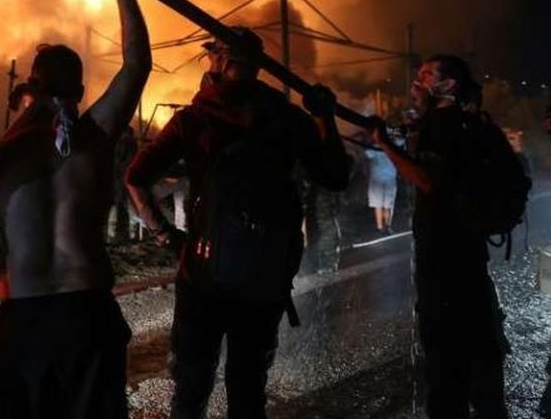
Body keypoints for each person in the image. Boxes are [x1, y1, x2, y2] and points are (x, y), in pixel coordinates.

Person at [0, 0, 151, 418]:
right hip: (86, 315)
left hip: (24, 320)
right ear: (81, 92)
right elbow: (137, 65)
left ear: (31, 85)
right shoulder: (95, 138)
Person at [125, 28, 349, 419]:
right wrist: (324, 118)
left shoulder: (193, 120)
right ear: (258, 65)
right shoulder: (287, 118)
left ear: (217, 59)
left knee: (190, 392)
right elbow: (335, 175)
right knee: (247, 392)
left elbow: (135, 177)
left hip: (202, 272)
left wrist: (168, 238)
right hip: (266, 277)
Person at [371, 54, 509, 418]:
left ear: (447, 86)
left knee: (446, 365)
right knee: (480, 353)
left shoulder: (442, 124)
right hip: (470, 255)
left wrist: (385, 145)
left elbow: (426, 179)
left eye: (426, 75)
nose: (417, 82)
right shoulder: (470, 125)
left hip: (443, 261)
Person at [364, 136, 398, 234]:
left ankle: (383, 227)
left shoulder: (377, 147)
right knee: (383, 204)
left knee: (383, 204)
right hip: (380, 179)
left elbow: (367, 154)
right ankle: (384, 227)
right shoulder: (390, 146)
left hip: (383, 178)